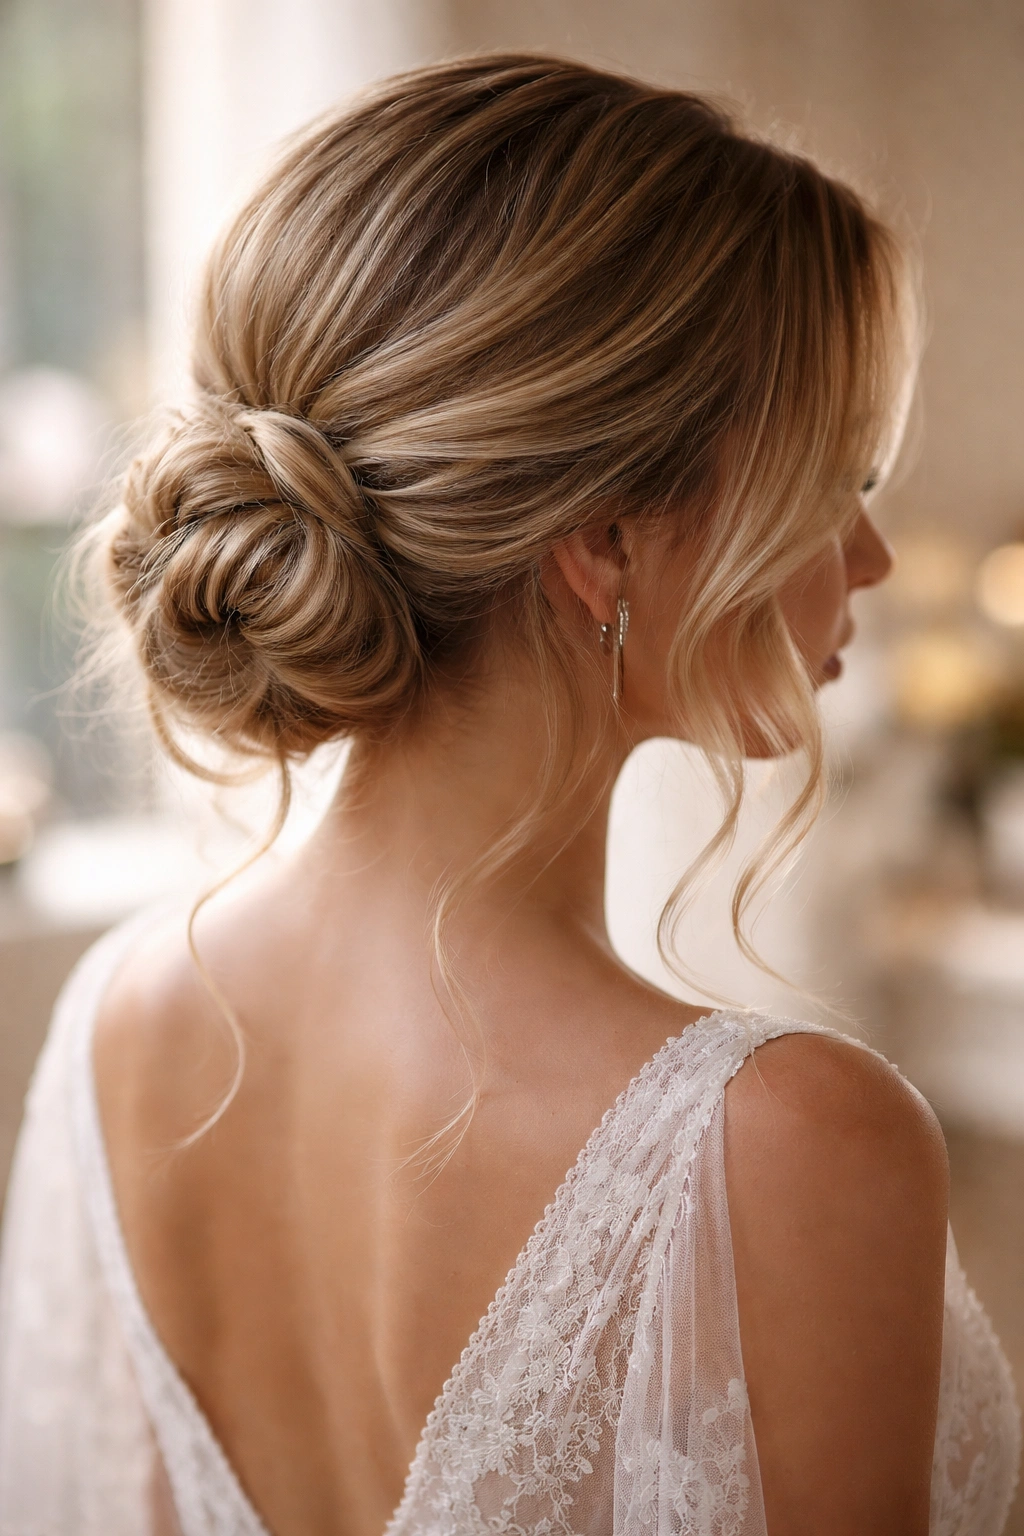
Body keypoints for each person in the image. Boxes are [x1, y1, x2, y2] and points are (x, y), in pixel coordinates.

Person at [0, 53, 1018, 1536]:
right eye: (836, 480)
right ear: (605, 544)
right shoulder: (791, 1146)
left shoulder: (120, 1021)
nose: (870, 558)